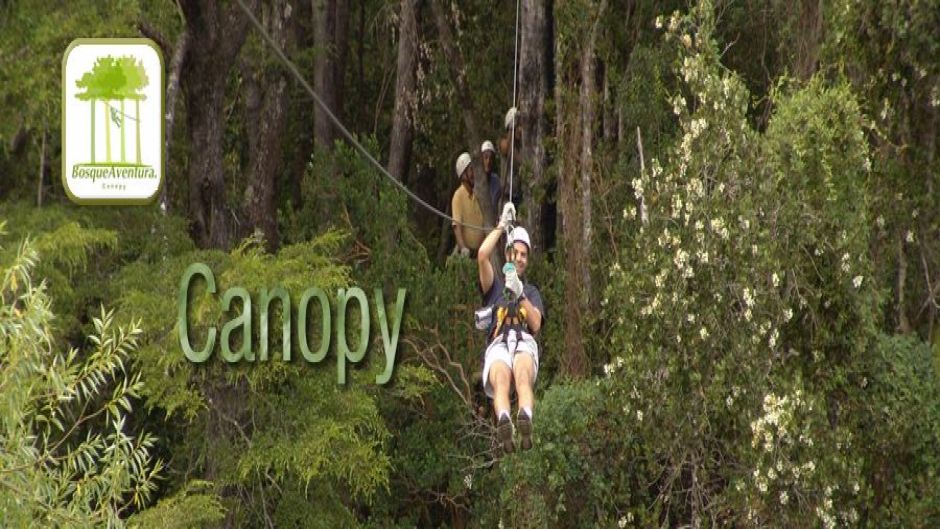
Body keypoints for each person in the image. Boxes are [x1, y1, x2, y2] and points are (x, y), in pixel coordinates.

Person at [477, 202, 546, 453]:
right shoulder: (494, 287)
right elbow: (482, 255)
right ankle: (505, 419)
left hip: (523, 341)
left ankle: (525, 415)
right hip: (499, 343)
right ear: (508, 254)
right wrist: (501, 225)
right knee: (501, 380)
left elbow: (536, 323)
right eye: (515, 252)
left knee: (523, 375)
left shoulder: (531, 291)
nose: (519, 258)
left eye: (523, 254)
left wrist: (520, 294)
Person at [451, 152, 486, 258]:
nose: (474, 173)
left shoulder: (479, 194)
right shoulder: (458, 196)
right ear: (463, 175)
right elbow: (457, 226)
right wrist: (463, 248)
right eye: (471, 170)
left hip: (479, 253)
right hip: (465, 252)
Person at [498, 107, 523, 205]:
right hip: (506, 197)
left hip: (518, 197)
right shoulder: (504, 143)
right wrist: (511, 129)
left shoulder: (521, 148)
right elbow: (507, 149)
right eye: (518, 126)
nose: (520, 130)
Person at [481, 140, 502, 224]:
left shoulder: (496, 181)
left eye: (491, 158)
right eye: (485, 157)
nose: (488, 161)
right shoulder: (474, 181)